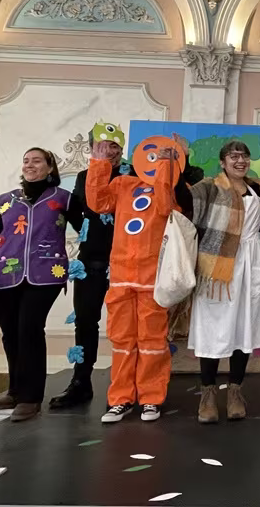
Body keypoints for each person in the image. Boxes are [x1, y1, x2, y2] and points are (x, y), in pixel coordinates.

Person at [0, 148, 83, 421]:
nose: (30, 165)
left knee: (29, 329)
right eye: (26, 161)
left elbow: (84, 230)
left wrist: (93, 260)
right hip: (3, 274)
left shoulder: (64, 198)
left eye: (37, 161)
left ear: (50, 167)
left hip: (46, 273)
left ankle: (31, 398)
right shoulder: (7, 200)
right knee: (11, 333)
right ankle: (15, 390)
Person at [86, 135, 187, 424]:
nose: (155, 161)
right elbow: (98, 202)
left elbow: (164, 207)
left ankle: (151, 398)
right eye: (153, 157)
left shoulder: (171, 192)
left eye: (162, 157)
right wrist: (99, 164)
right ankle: (120, 399)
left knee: (152, 341)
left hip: (152, 279)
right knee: (122, 340)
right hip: (121, 277)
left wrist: (167, 166)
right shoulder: (123, 184)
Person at [189, 140, 260, 424]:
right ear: (223, 162)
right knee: (213, 327)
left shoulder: (259, 189)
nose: (240, 161)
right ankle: (208, 394)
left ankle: (234, 392)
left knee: (245, 326)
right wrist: (177, 161)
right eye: (233, 156)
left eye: (244, 156)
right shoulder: (210, 187)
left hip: (252, 262)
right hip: (217, 265)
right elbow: (184, 202)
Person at [50, 124, 127, 409]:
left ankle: (127, 386)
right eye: (102, 146)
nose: (109, 151)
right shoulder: (85, 176)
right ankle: (81, 382)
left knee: (127, 326)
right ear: (92, 148)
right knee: (85, 322)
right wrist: (99, 167)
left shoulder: (134, 174)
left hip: (126, 263)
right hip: (90, 262)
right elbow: (92, 209)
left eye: (114, 146)